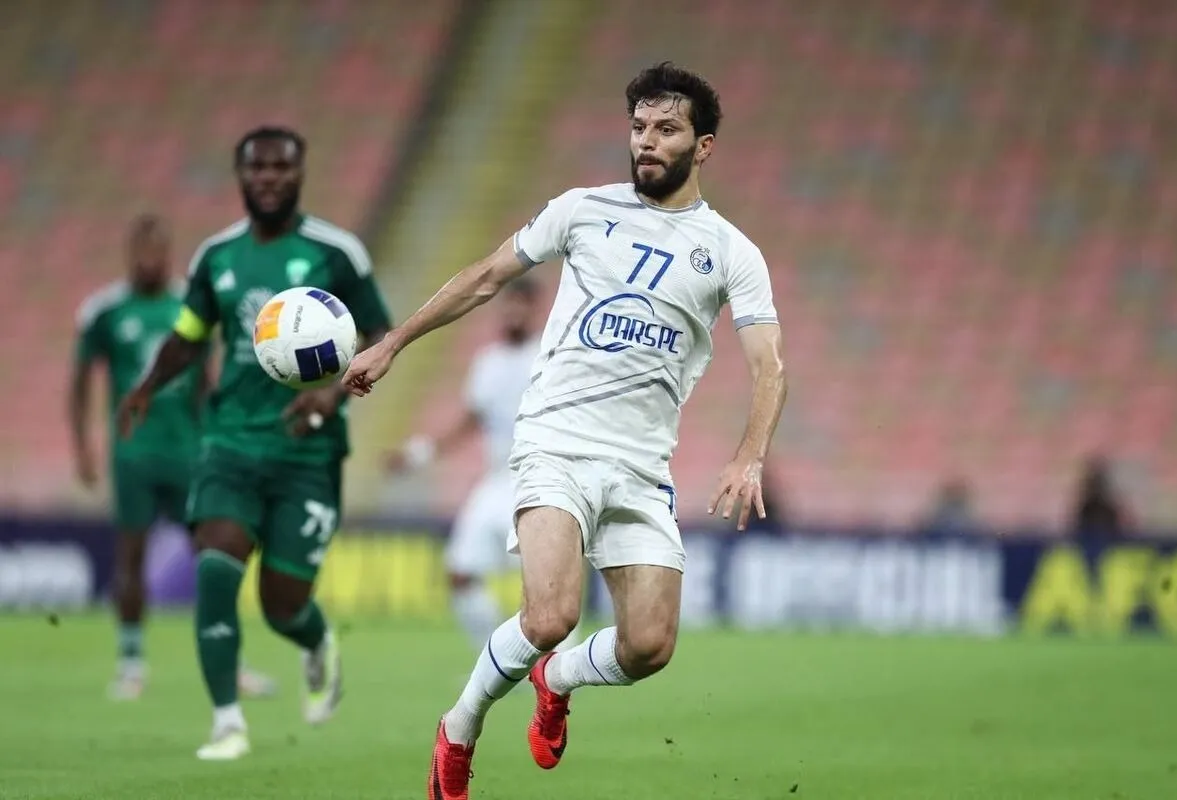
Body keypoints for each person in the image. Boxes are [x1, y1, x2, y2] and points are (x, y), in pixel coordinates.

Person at [343, 62, 787, 799]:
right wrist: (394, 342)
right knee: (550, 614)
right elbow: (486, 276)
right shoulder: (581, 210)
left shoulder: (732, 252)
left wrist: (749, 455)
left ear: (703, 146)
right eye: (639, 127)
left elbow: (769, 363)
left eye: (667, 129)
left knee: (649, 647)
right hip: (556, 441)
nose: (647, 142)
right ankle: (459, 727)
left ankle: (557, 679)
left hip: (641, 465)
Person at [117, 127, 393, 761]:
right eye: (257, 168)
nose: (269, 178)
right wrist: (148, 385)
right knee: (215, 566)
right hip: (231, 442)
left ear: (300, 174)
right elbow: (189, 334)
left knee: (281, 606)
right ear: (241, 176)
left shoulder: (336, 252)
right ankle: (226, 723)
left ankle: (317, 642)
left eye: (281, 167)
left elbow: (379, 332)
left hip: (308, 451)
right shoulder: (216, 257)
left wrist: (331, 396)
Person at [70, 214, 276, 702]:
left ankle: (230, 660)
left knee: (215, 554)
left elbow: (206, 380)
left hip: (189, 452)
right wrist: (83, 447)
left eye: (157, 252)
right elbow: (80, 383)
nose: (149, 261)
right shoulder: (105, 310)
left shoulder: (189, 304)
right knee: (131, 555)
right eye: (141, 252)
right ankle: (131, 662)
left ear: (168, 254)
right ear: (129, 255)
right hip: (134, 453)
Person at [386, 277, 582, 652]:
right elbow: (472, 420)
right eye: (510, 304)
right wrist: (417, 454)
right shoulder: (488, 362)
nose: (514, 312)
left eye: (523, 305)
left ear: (535, 310)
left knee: (547, 582)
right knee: (460, 573)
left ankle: (562, 666)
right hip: (496, 482)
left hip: (540, 479)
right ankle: (499, 657)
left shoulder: (548, 357)